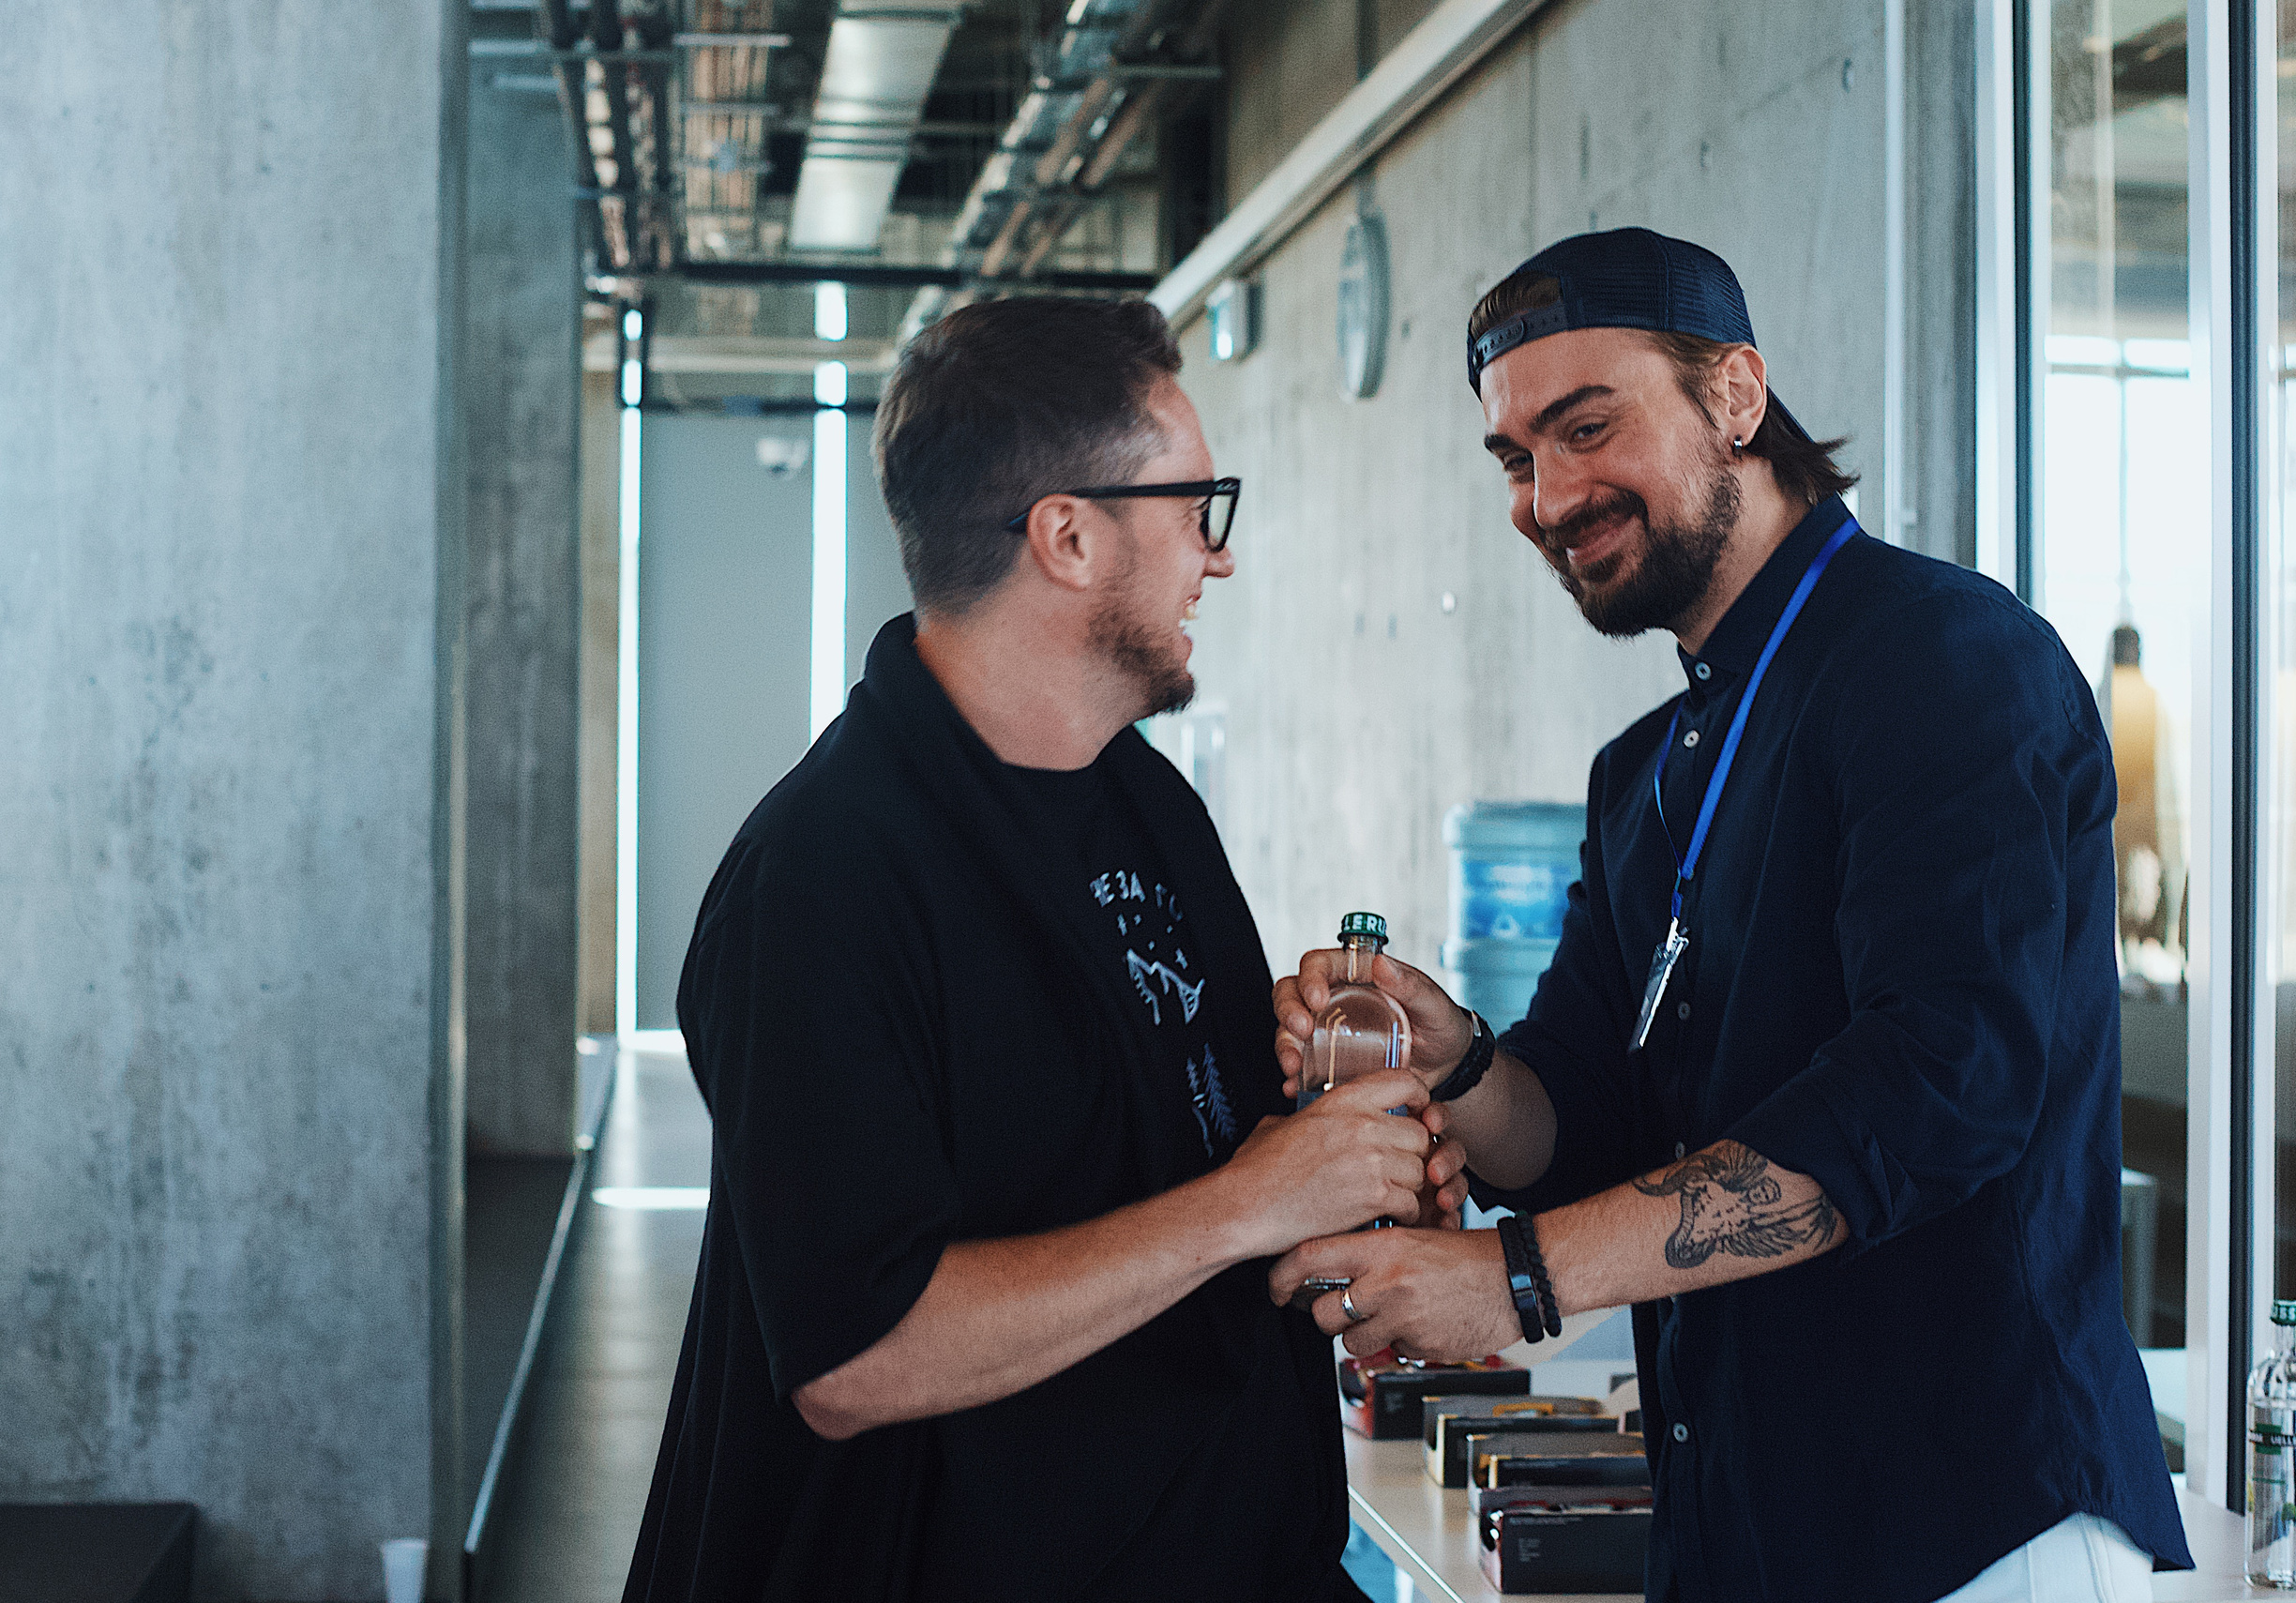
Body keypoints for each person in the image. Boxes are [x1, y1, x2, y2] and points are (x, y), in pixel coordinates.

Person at [1264, 229, 2195, 1603]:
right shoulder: (1645, 771)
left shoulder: (1946, 659)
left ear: (1738, 396)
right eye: (1516, 459)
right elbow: (1571, 1120)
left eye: (1587, 426)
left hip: (1982, 1529)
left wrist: (1514, 1281)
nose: (1546, 495)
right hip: (1747, 1530)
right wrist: (1453, 1051)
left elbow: (1935, 1094)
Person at [624, 295, 1465, 1602]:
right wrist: (1251, 1199)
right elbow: (857, 1358)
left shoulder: (1144, 800)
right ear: (1067, 534)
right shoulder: (819, 880)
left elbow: (1180, 1167)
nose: (1217, 556)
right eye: (1197, 506)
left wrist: (1334, 1149)